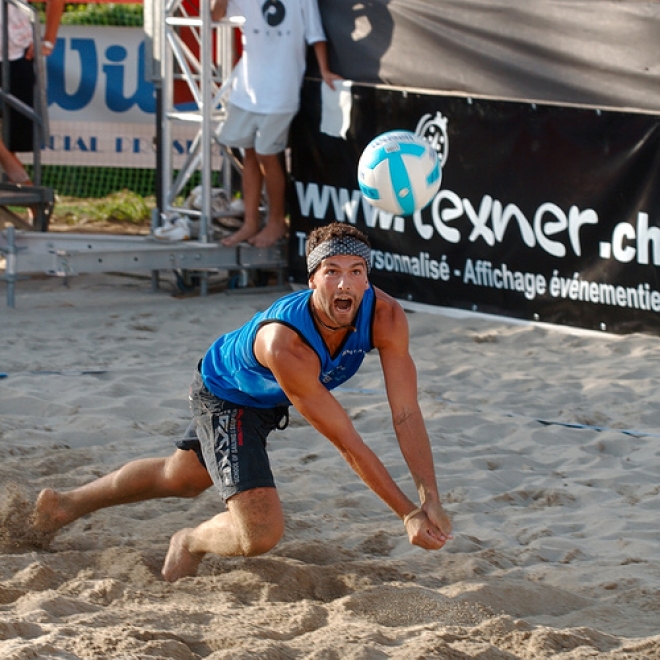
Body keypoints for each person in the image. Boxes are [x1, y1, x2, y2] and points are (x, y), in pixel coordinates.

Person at [33, 222, 453, 582]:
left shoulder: (387, 317)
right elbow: (346, 441)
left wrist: (429, 496)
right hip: (226, 392)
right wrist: (406, 513)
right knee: (260, 532)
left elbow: (405, 413)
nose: (344, 283)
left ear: (367, 279)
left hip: (271, 397)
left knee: (180, 477)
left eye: (356, 271)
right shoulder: (286, 343)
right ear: (311, 279)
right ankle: (190, 541)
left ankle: (64, 504)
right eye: (331, 272)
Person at [211, 0, 342, 248]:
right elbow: (216, 15)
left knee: (267, 155)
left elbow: (316, 33)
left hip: (282, 90)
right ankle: (250, 223)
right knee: (248, 152)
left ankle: (277, 222)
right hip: (246, 90)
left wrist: (325, 70)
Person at [0, 0, 64, 186]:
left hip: (17, 56)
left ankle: (33, 203)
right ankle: (31, 195)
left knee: (14, 140)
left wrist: (49, 41)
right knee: (7, 151)